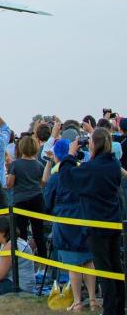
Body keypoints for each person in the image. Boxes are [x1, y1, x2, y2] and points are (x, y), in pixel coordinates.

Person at [60, 127, 125, 315]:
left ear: (93, 144)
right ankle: (118, 307)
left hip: (97, 226)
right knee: (115, 269)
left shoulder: (93, 168)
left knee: (105, 272)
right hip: (113, 222)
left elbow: (66, 176)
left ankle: (112, 310)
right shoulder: (113, 164)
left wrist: (71, 154)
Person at [43, 139, 99, 311]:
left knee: (74, 265)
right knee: (88, 260)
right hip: (85, 220)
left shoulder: (56, 177)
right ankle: (93, 299)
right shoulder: (82, 171)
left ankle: (77, 301)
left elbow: (47, 203)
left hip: (65, 223)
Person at [6, 134, 47, 258]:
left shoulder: (16, 164)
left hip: (21, 200)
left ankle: (22, 258)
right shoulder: (39, 165)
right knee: (38, 232)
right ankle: (43, 260)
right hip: (37, 199)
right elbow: (42, 183)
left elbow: (10, 184)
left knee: (21, 232)